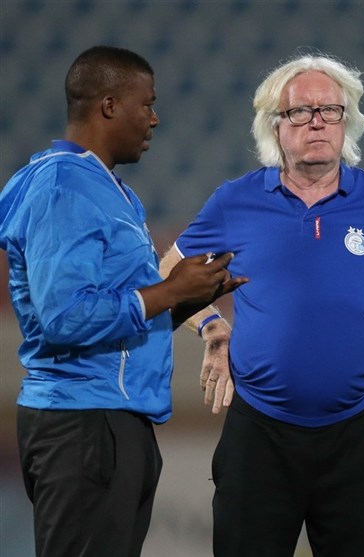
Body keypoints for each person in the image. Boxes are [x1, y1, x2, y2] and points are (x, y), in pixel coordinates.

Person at [158, 52, 364, 556]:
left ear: (348, 122)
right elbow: (169, 270)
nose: (317, 122)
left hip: (355, 437)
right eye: (301, 111)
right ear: (275, 126)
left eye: (331, 110)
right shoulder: (235, 201)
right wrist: (212, 328)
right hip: (258, 437)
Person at [0, 45, 246, 557]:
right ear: (109, 105)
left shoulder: (109, 189)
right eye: (147, 104)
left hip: (112, 420)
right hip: (82, 422)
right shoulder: (64, 187)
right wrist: (171, 290)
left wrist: (188, 299)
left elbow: (117, 315)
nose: (154, 119)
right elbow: (65, 317)